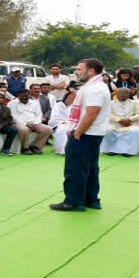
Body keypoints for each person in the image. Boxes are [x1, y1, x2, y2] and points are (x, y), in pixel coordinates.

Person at [50, 59, 111, 212]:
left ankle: (73, 202)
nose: (76, 72)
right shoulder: (96, 86)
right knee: (90, 167)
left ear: (91, 71)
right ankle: (91, 200)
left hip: (86, 133)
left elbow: (92, 114)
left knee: (75, 168)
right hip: (92, 133)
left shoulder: (95, 89)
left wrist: (78, 132)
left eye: (79, 69)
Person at [99, 88, 139, 157]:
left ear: (128, 95)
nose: (122, 95)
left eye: (125, 93)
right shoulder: (111, 103)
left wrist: (129, 119)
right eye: (120, 93)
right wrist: (119, 120)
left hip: (130, 124)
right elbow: (108, 114)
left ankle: (129, 151)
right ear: (116, 94)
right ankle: (110, 149)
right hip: (114, 124)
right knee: (107, 130)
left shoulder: (134, 103)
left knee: (135, 131)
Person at [9, 88, 51, 154]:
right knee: (24, 129)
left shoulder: (34, 102)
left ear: (29, 95)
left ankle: (36, 146)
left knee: (48, 129)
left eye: (26, 96)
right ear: (18, 95)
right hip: (19, 123)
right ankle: (25, 148)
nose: (24, 97)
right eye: (22, 96)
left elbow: (39, 114)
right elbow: (14, 116)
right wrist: (25, 124)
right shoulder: (12, 103)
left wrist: (35, 124)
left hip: (34, 123)